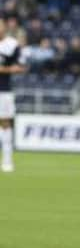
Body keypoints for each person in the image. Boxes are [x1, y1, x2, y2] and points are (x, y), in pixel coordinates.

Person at [0, 18, 26, 172]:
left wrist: (3, 70)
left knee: (5, 123)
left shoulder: (12, 45)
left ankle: (7, 160)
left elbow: (21, 67)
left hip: (3, 90)